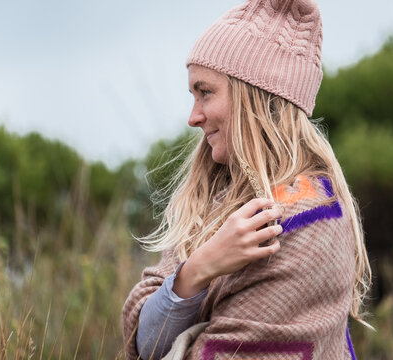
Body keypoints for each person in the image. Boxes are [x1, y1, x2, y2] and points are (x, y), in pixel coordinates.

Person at [122, 0, 371, 359]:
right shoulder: (212, 201)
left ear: (252, 95)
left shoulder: (311, 220)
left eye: (205, 92)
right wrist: (196, 271)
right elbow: (144, 342)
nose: (193, 116)